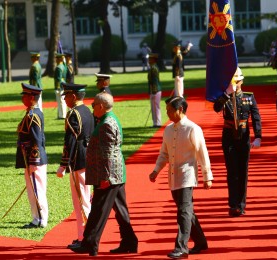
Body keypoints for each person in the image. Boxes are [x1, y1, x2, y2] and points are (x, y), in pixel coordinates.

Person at [70, 92, 137, 256]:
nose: (92, 108)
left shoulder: (107, 123)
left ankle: (89, 243)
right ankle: (129, 241)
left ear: (101, 106)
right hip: (115, 175)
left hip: (108, 176)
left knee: (98, 210)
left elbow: (109, 154)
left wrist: (106, 178)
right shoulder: (109, 119)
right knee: (120, 211)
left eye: (93, 105)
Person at [149, 96, 213, 259]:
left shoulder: (193, 128)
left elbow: (202, 152)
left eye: (170, 110)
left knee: (183, 212)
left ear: (180, 110)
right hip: (173, 176)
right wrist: (156, 170)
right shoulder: (168, 130)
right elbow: (164, 153)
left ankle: (181, 247)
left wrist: (207, 175)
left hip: (187, 175)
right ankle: (200, 241)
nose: (167, 113)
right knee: (187, 211)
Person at [213, 67, 262, 217]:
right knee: (231, 171)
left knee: (243, 171)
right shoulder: (224, 97)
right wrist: (227, 94)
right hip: (228, 136)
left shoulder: (249, 97)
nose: (236, 84)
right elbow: (216, 108)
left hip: (243, 136)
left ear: (242, 81)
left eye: (238, 81)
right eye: (233, 81)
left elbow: (256, 117)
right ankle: (233, 204)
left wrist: (258, 136)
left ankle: (241, 204)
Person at [56, 83, 94, 249]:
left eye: (66, 95)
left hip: (78, 161)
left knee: (81, 202)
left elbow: (69, 142)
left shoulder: (73, 114)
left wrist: (63, 165)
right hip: (88, 159)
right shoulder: (87, 111)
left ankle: (85, 238)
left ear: (73, 96)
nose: (64, 98)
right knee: (86, 199)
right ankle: (86, 236)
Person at [16, 83, 48, 229]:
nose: (22, 98)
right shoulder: (32, 112)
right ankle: (36, 218)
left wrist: (34, 160)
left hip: (34, 159)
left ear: (32, 97)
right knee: (33, 190)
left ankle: (41, 219)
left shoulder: (33, 115)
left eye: (25, 95)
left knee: (37, 190)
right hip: (31, 158)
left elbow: (37, 139)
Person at [147, 53, 162, 128]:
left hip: (155, 90)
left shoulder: (154, 68)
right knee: (154, 108)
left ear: (153, 60)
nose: (149, 60)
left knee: (156, 107)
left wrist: (154, 91)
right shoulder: (153, 67)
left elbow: (155, 80)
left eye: (150, 59)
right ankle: (155, 123)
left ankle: (158, 123)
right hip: (153, 90)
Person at [54, 53, 67, 119]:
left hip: (60, 87)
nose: (55, 60)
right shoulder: (63, 66)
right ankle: (61, 114)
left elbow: (58, 79)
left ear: (59, 59)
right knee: (62, 101)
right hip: (63, 85)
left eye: (56, 58)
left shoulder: (59, 67)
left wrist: (58, 88)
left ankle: (62, 115)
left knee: (61, 102)